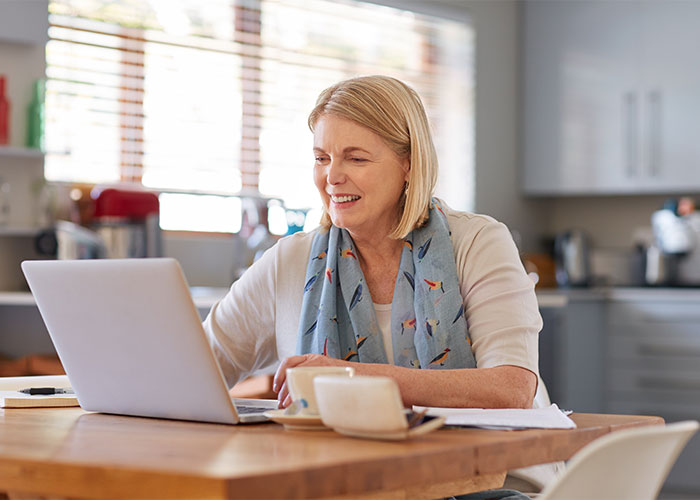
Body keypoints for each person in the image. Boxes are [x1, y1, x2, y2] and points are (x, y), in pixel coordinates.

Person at [203, 75, 553, 495]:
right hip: (352, 485)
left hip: (493, 481)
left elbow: (511, 388)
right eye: (321, 158)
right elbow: (198, 369)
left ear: (408, 163)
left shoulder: (477, 242)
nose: (332, 176)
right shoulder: (289, 261)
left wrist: (351, 377)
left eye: (356, 159)